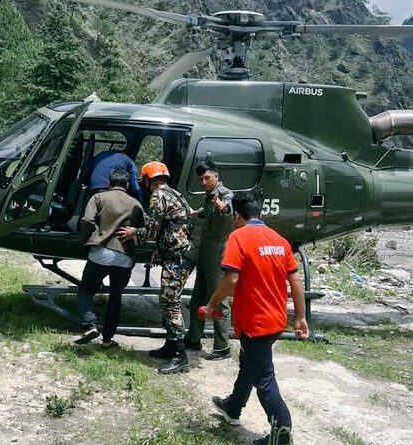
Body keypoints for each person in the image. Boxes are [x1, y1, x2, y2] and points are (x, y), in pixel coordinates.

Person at [205, 191, 309, 445]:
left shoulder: (238, 237)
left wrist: (211, 305)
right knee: (250, 363)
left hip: (255, 322)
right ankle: (233, 408)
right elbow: (295, 279)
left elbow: (231, 279)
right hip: (274, 321)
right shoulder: (279, 240)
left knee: (263, 378)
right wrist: (300, 318)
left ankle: (281, 433)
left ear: (237, 216)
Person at [117, 161, 196, 374]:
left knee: (170, 303)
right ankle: (171, 346)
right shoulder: (175, 194)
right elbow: (178, 225)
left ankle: (180, 356)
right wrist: (161, 249)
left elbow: (151, 230)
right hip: (180, 254)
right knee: (168, 300)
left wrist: (134, 232)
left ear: (146, 179)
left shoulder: (157, 196)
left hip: (177, 257)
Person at [74, 170, 144, 347]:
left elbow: (88, 221)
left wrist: (87, 240)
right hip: (124, 258)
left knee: (86, 290)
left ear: (109, 183)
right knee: (115, 297)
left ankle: (89, 325)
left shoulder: (98, 198)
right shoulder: (136, 203)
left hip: (101, 254)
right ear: (127, 186)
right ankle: (107, 340)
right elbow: (143, 230)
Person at [186, 161, 234, 360]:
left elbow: (227, 208)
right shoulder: (209, 195)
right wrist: (195, 213)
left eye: (207, 178)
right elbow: (206, 212)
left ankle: (222, 346)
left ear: (217, 176)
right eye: (200, 179)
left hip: (217, 251)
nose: (203, 182)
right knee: (197, 298)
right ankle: (193, 338)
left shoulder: (225, 194)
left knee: (219, 299)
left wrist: (222, 206)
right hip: (205, 250)